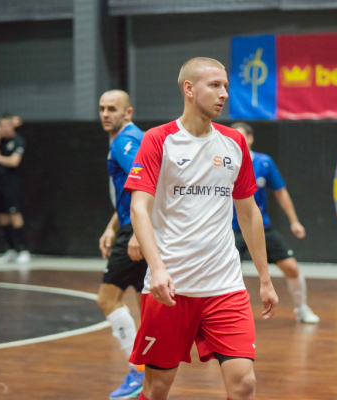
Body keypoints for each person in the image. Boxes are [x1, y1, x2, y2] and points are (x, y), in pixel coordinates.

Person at [125, 57, 279, 400]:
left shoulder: (235, 143)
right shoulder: (158, 139)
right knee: (157, 388)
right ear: (189, 89)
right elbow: (139, 208)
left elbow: (249, 213)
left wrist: (265, 279)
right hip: (170, 289)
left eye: (226, 86)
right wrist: (157, 268)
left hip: (225, 286)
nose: (224, 94)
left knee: (244, 384)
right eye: (215, 85)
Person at [230, 122, 319, 324]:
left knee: (291, 267)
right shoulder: (223, 163)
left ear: (250, 139)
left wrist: (294, 222)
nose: (237, 141)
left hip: (261, 227)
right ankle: (226, 318)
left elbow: (280, 192)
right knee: (226, 275)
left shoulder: (264, 162)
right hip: (231, 230)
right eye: (234, 137)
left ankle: (302, 308)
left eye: (241, 136)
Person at [97, 90, 149, 399]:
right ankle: (150, 369)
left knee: (107, 299)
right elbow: (130, 192)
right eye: (102, 108)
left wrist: (137, 233)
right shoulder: (130, 138)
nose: (106, 114)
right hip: (132, 226)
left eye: (112, 109)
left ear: (127, 112)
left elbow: (145, 183)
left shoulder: (125, 141)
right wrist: (111, 226)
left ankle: (139, 370)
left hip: (136, 229)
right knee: (147, 306)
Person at [0, 113, 30, 264]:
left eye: (6, 125)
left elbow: (14, 161)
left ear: (12, 125)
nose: (4, 128)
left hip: (12, 185)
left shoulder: (18, 141)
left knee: (15, 216)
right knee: (3, 218)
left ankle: (23, 250)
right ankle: (10, 250)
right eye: (1, 125)